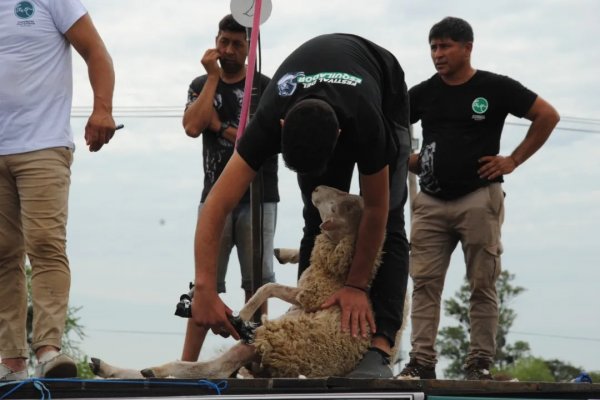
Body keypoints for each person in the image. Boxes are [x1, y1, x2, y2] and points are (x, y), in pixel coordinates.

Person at [190, 33, 411, 378]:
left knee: (393, 221)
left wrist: (355, 286)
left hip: (384, 90)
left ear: (338, 136)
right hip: (312, 89)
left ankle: (378, 349)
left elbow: (377, 210)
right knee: (316, 218)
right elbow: (216, 205)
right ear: (281, 128)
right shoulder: (268, 117)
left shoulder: (367, 124)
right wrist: (204, 286)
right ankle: (309, 327)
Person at [397, 17, 560, 380]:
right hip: (430, 202)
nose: (438, 54)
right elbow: (389, 127)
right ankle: (421, 362)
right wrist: (408, 159)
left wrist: (513, 159)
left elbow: (547, 115)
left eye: (445, 46)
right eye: (433, 47)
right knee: (424, 283)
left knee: (482, 283)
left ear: (467, 47)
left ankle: (479, 363)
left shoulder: (495, 87)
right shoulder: (423, 93)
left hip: (479, 198)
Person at [0, 0, 117, 380]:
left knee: (46, 244)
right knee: (3, 254)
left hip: (43, 144)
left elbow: (95, 51)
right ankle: (10, 362)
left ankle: (49, 351)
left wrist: (102, 109)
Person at [180, 14, 279, 362]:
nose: (228, 50)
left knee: (258, 283)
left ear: (250, 47)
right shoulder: (201, 82)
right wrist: (211, 78)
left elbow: (260, 140)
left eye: (238, 44)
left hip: (258, 195)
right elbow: (193, 126)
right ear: (216, 40)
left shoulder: (266, 88)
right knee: (203, 283)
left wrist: (220, 126)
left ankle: (263, 360)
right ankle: (186, 363)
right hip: (213, 198)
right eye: (224, 41)